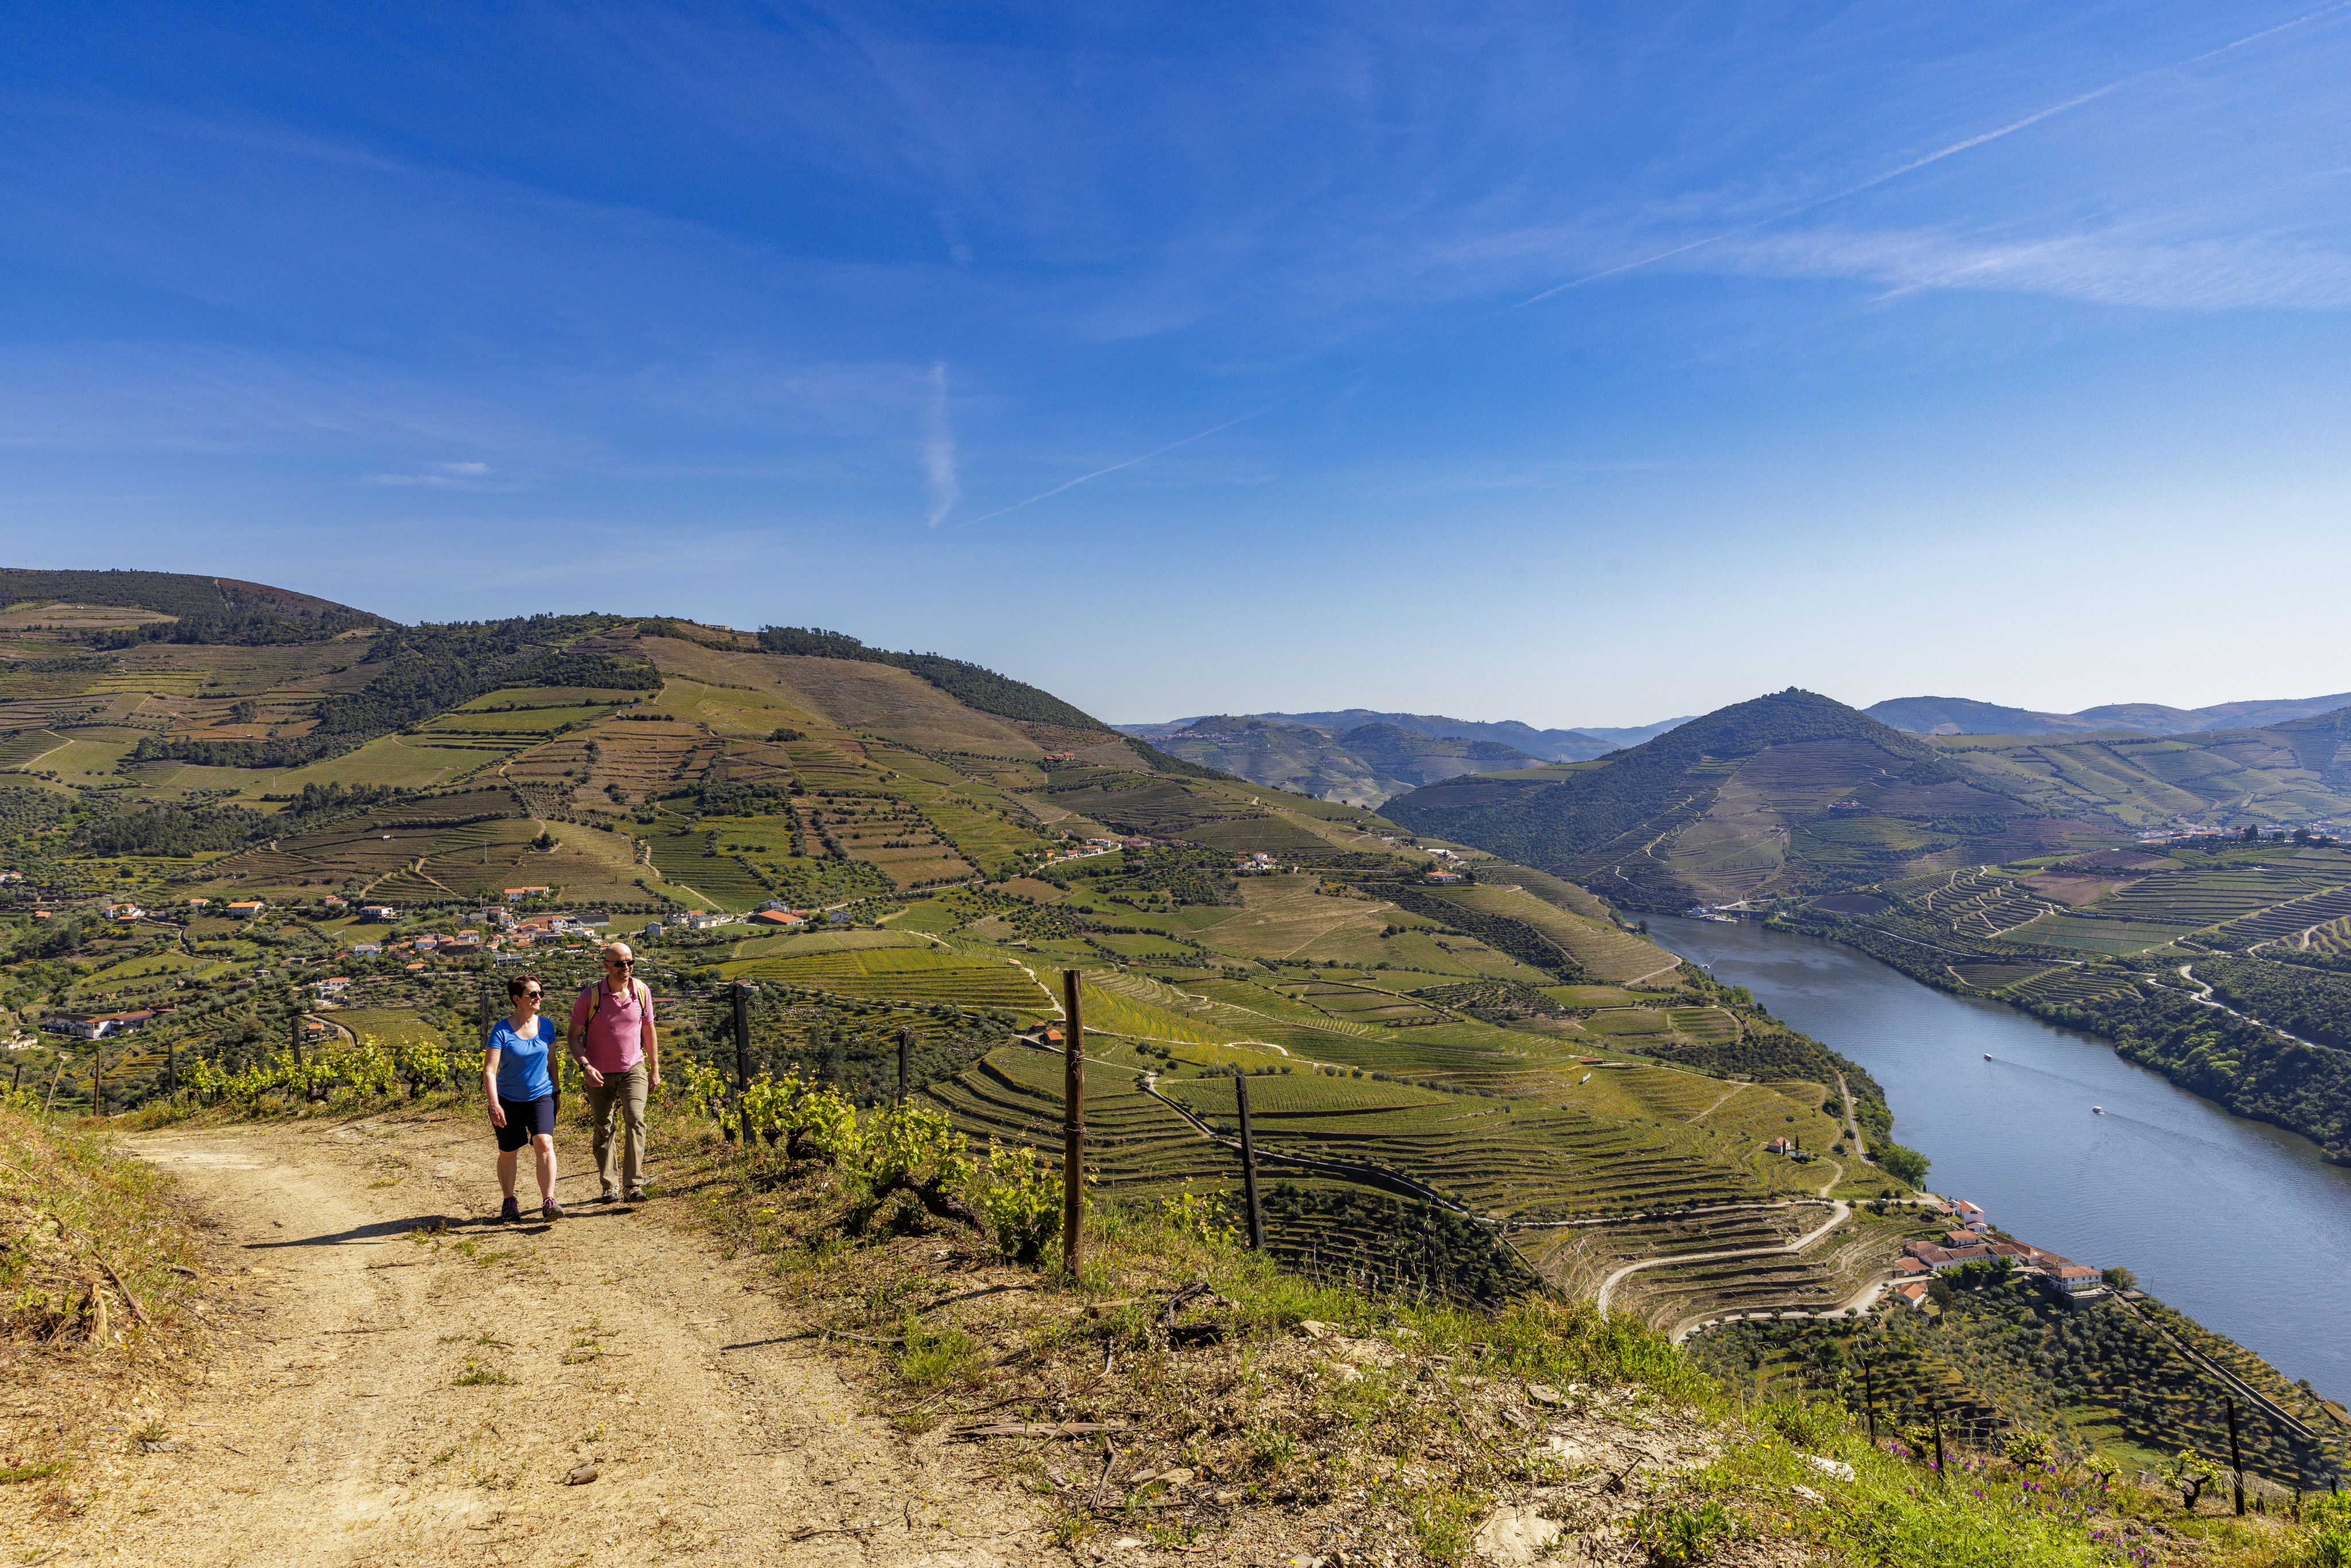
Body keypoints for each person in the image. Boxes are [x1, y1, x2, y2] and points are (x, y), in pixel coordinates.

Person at [569, 941, 661, 1202]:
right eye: (620, 963)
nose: (626, 968)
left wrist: (654, 1068)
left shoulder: (642, 992)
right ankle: (610, 1185)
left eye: (630, 962)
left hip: (633, 1067)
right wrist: (585, 1066)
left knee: (635, 1118)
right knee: (603, 1126)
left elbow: (649, 1030)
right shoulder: (590, 996)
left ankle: (633, 1185)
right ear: (607, 965)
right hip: (598, 1073)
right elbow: (573, 1037)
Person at [483, 972, 562, 1222]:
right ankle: (509, 1200)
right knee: (509, 1150)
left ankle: (549, 1201)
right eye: (532, 994)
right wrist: (494, 1104)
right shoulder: (501, 1030)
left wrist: (556, 1092)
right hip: (508, 1100)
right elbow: (490, 1071)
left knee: (544, 1143)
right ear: (517, 999)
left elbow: (552, 1063)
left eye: (540, 993)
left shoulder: (547, 1026)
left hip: (541, 1095)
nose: (539, 997)